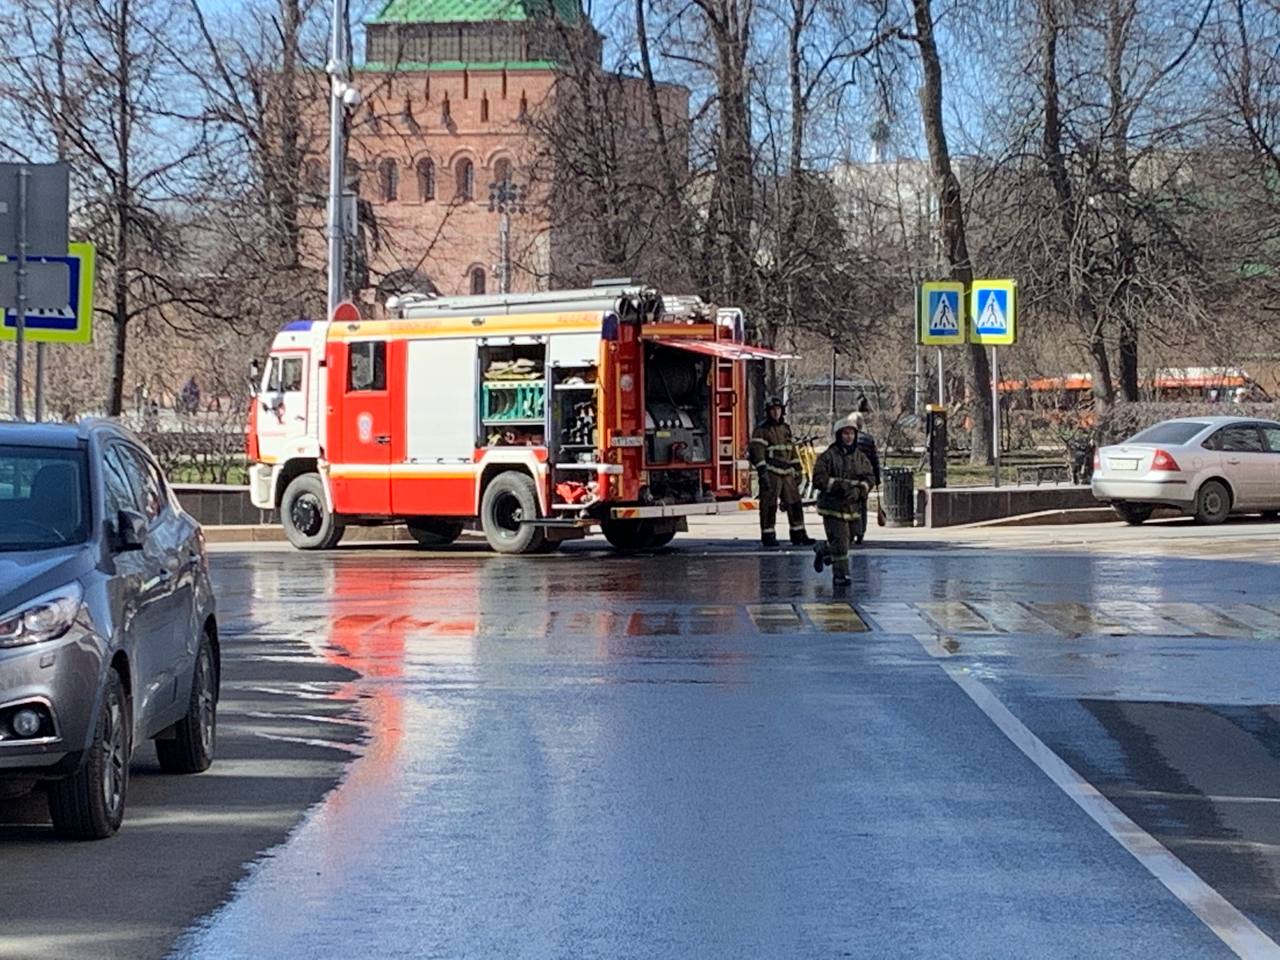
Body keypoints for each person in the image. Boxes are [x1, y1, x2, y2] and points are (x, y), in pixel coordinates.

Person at [811, 413, 876, 587]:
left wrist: (860, 490)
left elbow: (870, 477)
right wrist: (839, 486)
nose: (849, 437)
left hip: (852, 506)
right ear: (839, 435)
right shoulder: (828, 456)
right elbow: (818, 479)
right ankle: (841, 576)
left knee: (850, 538)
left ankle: (823, 550)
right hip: (832, 506)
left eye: (852, 433)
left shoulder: (860, 457)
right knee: (840, 542)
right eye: (845, 433)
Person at [748, 397, 814, 548]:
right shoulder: (762, 430)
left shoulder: (785, 428)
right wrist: (762, 471)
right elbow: (757, 452)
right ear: (768, 412)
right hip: (771, 472)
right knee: (769, 506)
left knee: (795, 504)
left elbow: (791, 450)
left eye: (778, 409)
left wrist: (798, 469)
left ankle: (799, 534)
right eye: (773, 410)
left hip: (787, 472)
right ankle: (768, 535)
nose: (776, 412)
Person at [851, 412, 881, 544]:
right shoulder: (868, 440)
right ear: (861, 424)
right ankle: (861, 532)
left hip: (850, 477)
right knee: (862, 504)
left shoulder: (846, 439)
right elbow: (875, 461)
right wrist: (877, 478)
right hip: (865, 478)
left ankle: (851, 531)